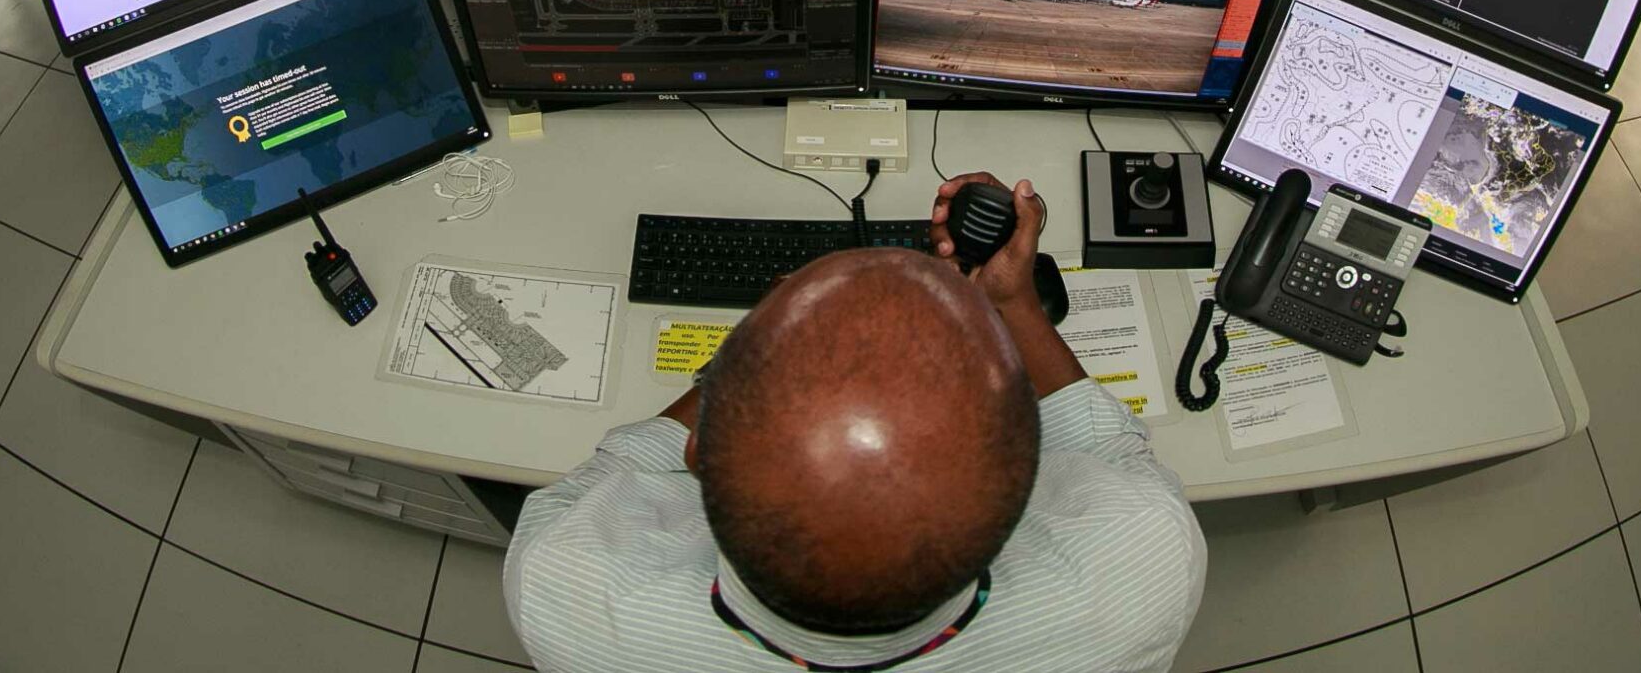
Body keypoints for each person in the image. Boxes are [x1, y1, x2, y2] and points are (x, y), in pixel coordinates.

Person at [503, 174, 1206, 673]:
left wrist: (759, 336)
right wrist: (1012, 302)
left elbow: (620, 462)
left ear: (698, 451)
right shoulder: (1142, 572)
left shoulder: (566, 591)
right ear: (1024, 492)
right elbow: (1105, 444)